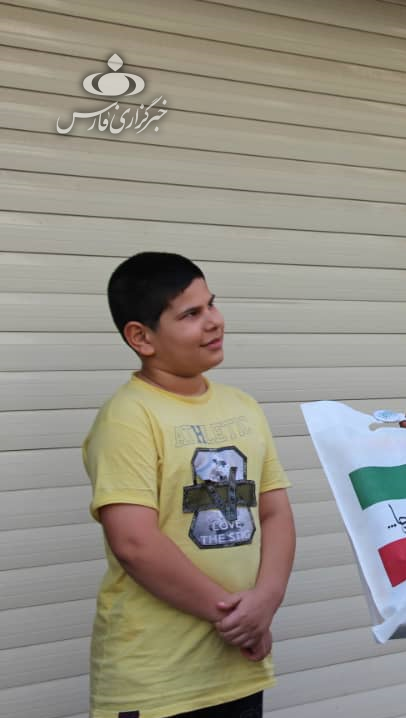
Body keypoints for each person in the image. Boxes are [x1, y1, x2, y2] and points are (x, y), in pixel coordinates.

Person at [83, 252, 296, 718]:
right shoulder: (129, 417)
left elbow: (275, 512)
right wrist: (237, 619)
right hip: (155, 682)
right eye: (191, 314)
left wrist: (267, 599)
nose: (214, 321)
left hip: (237, 673)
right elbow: (134, 544)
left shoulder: (243, 407)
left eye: (212, 304)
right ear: (141, 337)